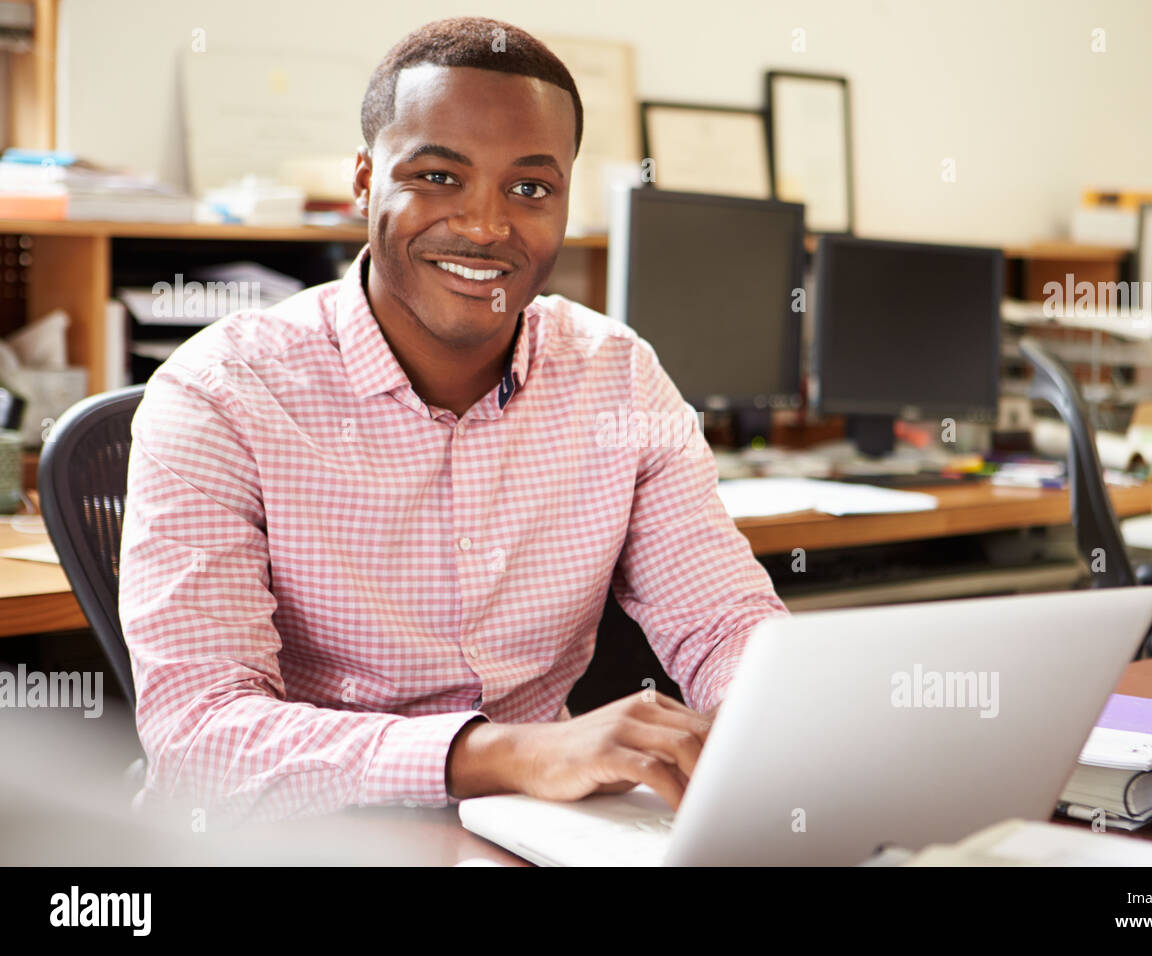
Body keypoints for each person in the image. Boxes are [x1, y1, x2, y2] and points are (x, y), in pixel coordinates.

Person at [118, 16, 787, 826]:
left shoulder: (617, 378)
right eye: (438, 175)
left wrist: (774, 723)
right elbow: (199, 737)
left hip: (535, 827)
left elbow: (722, 624)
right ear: (364, 181)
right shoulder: (221, 393)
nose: (484, 225)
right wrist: (503, 753)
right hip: (294, 838)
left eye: (530, 188)